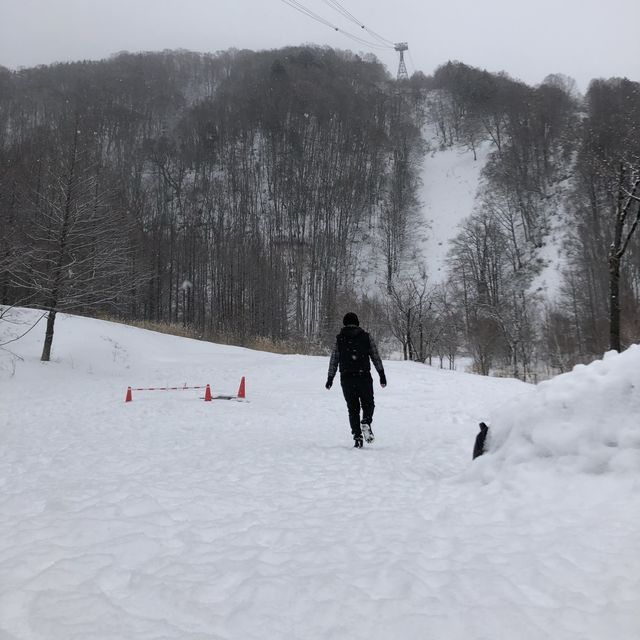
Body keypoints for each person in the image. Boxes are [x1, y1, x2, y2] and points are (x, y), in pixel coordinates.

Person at [325, 312, 387, 448]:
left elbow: (334, 359)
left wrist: (330, 378)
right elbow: (375, 356)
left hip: (346, 378)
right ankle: (366, 421)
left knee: (353, 409)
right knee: (368, 404)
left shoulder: (340, 338)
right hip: (363, 376)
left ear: (344, 323)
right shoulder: (366, 337)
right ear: (357, 322)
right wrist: (381, 373)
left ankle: (357, 437)